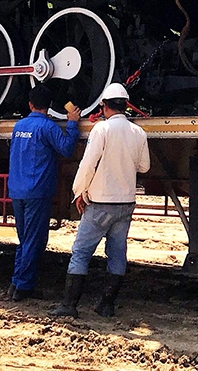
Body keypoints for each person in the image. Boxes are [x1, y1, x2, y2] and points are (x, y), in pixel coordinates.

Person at [50, 83, 149, 318]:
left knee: (81, 252)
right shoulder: (139, 133)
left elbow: (88, 165)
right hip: (125, 204)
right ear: (125, 105)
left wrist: (78, 191)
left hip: (100, 203)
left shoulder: (101, 130)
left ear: (103, 106)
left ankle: (69, 305)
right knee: (117, 254)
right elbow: (144, 166)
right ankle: (107, 304)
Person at [7, 84, 80, 301]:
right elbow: (67, 148)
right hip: (37, 191)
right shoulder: (47, 127)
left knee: (24, 239)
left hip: (17, 190)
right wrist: (72, 123)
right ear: (49, 106)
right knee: (34, 241)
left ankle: (16, 282)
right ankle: (23, 287)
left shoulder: (19, 126)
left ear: (30, 104)